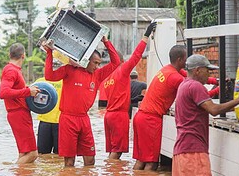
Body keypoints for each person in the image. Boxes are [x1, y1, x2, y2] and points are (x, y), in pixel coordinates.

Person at [172, 54, 239, 176]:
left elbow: (210, 108)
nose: (209, 74)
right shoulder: (196, 86)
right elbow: (214, 110)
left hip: (181, 152)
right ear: (198, 70)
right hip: (194, 152)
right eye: (208, 70)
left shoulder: (184, 85)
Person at [42, 35, 120, 167]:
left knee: (90, 160)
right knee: (69, 162)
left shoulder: (98, 75)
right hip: (68, 119)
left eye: (99, 63)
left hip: (84, 119)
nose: (97, 66)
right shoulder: (69, 70)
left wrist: (106, 42)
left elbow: (116, 62)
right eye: (95, 63)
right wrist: (49, 53)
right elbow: (49, 76)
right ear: (86, 60)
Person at [102, 22, 156, 160]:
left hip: (108, 116)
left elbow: (116, 96)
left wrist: (131, 100)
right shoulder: (122, 70)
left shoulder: (108, 77)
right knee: (117, 152)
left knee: (113, 150)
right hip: (119, 116)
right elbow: (136, 56)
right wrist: (145, 36)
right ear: (121, 60)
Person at [132, 44, 188, 171]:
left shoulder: (166, 69)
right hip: (150, 120)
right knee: (151, 163)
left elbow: (187, 75)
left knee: (141, 160)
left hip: (140, 117)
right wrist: (218, 89)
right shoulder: (176, 77)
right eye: (185, 59)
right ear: (179, 60)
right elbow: (193, 90)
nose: (187, 61)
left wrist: (213, 81)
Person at [0, 42, 41, 164]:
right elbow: (4, 93)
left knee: (24, 153)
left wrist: (28, 89)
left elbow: (15, 90)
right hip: (18, 113)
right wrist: (28, 91)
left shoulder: (14, 70)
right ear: (23, 56)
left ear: (9, 54)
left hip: (20, 112)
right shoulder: (11, 70)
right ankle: (13, 172)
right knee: (33, 154)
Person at [35, 77, 62, 154]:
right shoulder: (40, 82)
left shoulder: (66, 80)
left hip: (61, 122)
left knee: (60, 154)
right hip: (44, 121)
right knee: (42, 154)